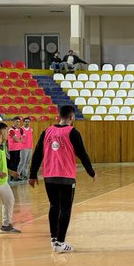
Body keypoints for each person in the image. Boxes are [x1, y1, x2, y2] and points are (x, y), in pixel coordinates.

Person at [28, 105, 95, 252]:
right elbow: (82, 154)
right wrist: (91, 172)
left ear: (59, 116)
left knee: (54, 206)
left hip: (49, 176)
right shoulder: (73, 132)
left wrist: (32, 175)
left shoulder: (46, 131)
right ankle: (60, 242)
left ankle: (54, 239)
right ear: (71, 117)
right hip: (66, 177)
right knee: (65, 209)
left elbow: (37, 153)